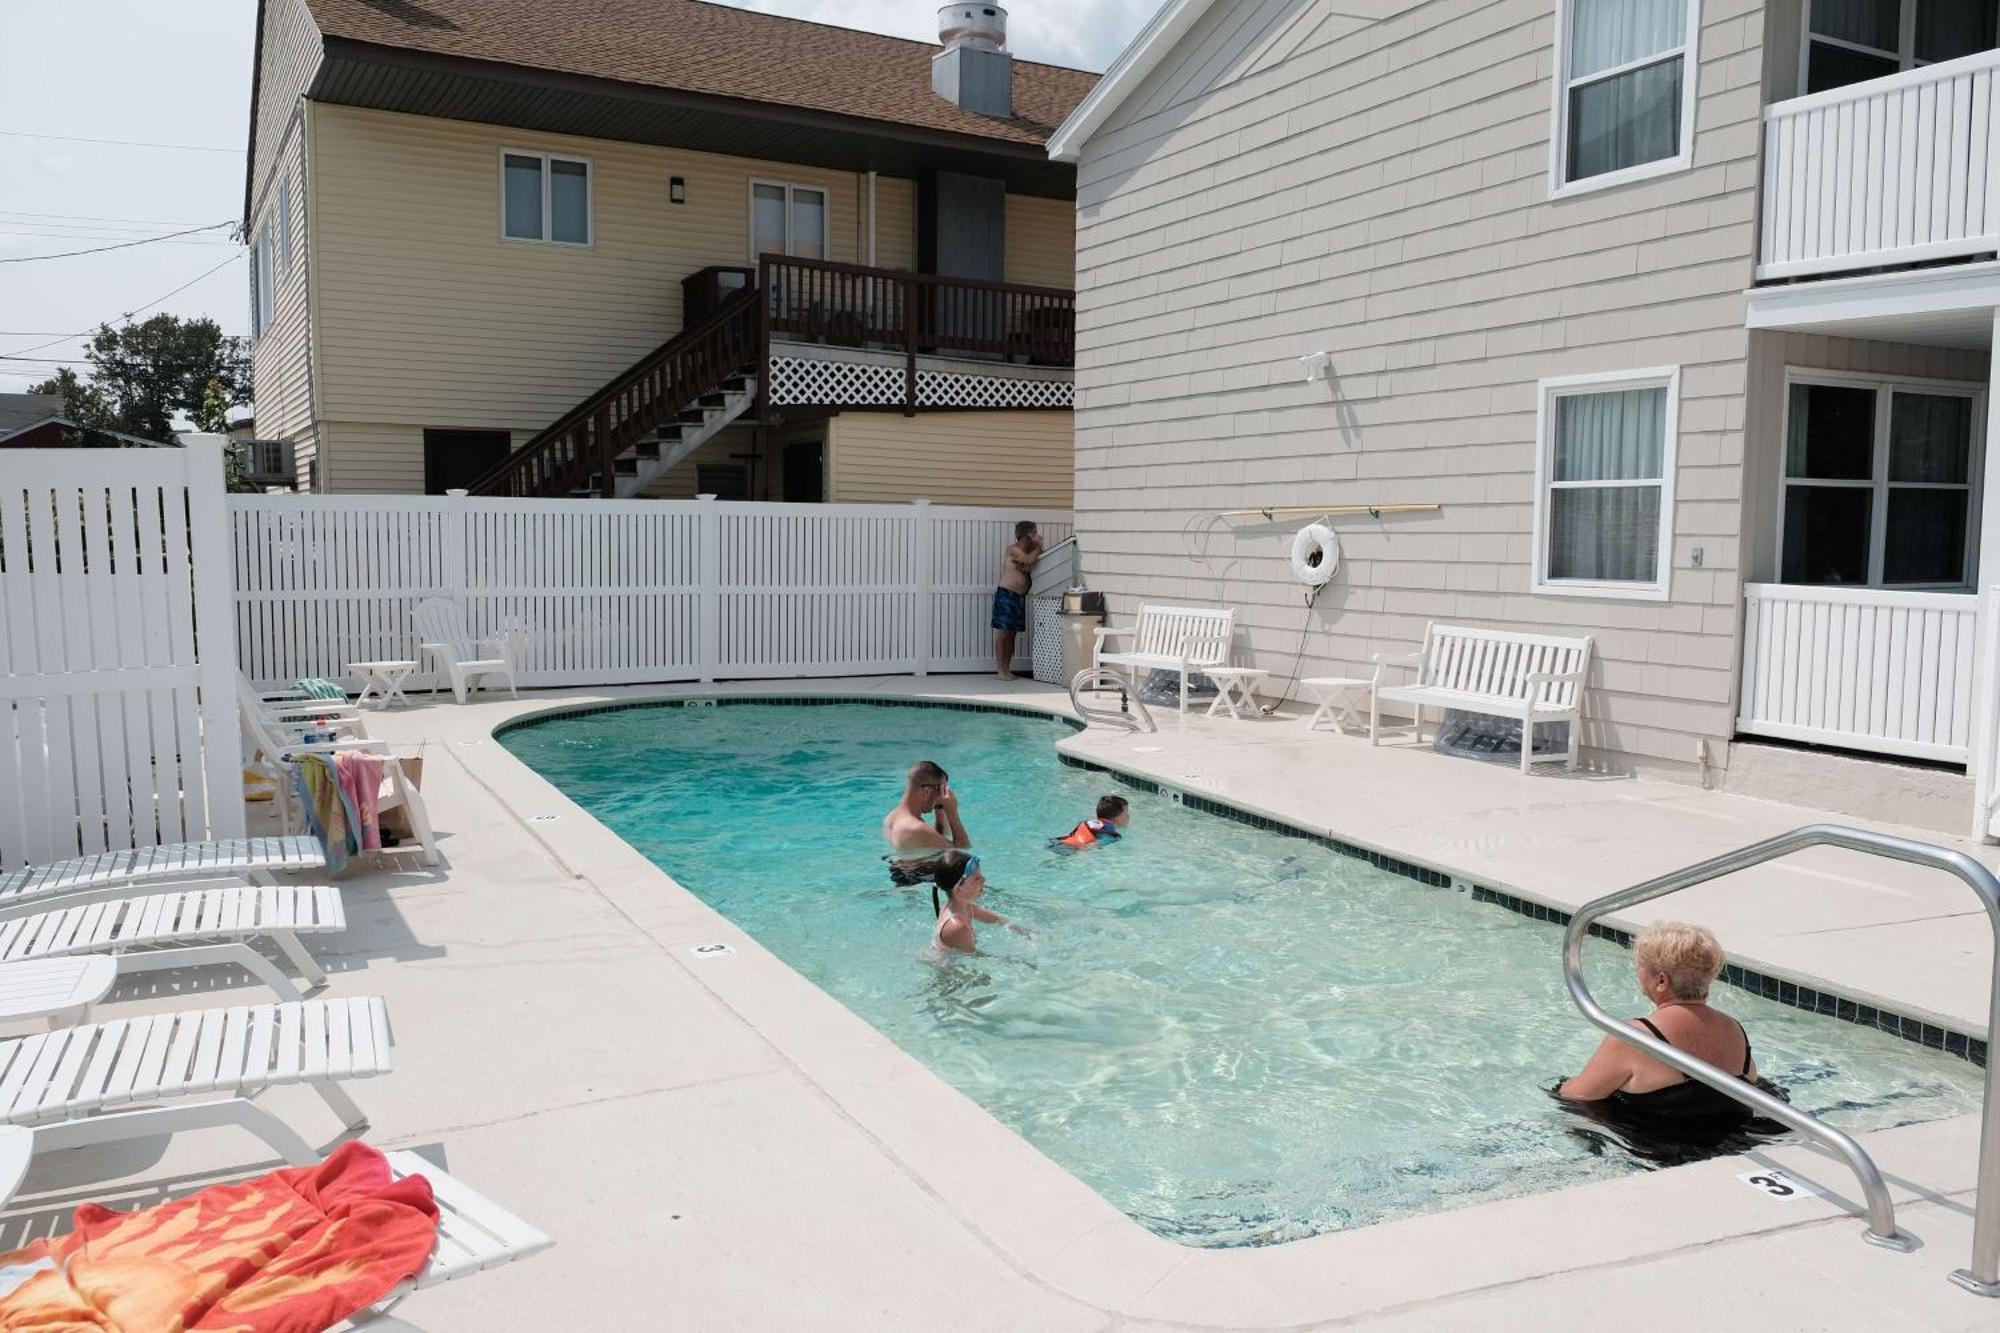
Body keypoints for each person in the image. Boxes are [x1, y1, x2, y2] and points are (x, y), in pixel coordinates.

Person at [1558, 921, 1763, 1135]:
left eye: (1640, 967)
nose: (1638, 973)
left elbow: (1577, 1095)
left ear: (1662, 981)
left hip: (1660, 1153)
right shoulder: (1734, 1030)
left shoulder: (1638, 1036)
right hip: (1731, 1139)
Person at [883, 760, 969, 885]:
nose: (944, 795)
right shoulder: (915, 828)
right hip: (920, 881)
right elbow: (962, 851)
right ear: (927, 791)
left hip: (906, 875)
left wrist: (940, 809)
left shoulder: (893, 817)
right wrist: (952, 811)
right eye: (941, 789)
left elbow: (935, 845)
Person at [927, 851, 1029, 956]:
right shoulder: (958, 927)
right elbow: (976, 958)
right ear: (958, 888)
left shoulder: (965, 906)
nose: (984, 879)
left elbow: (997, 919)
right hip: (948, 969)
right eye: (976, 878)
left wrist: (1025, 933)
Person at [992, 520, 1043, 681]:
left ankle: (1007, 668)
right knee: (1004, 634)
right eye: (1035, 532)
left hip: (1018, 597)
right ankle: (1001, 670)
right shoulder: (1013, 550)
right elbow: (1028, 560)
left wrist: (1036, 548)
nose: (1037, 535)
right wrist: (1039, 546)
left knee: (1012, 634)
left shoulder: (1029, 550)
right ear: (1029, 534)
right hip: (1007, 594)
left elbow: (1034, 559)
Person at [1051, 794, 1131, 850]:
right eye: (1126, 814)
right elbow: (1090, 849)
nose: (1128, 817)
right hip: (1070, 849)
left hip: (1058, 842)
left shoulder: (1089, 823)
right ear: (1117, 819)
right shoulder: (1112, 835)